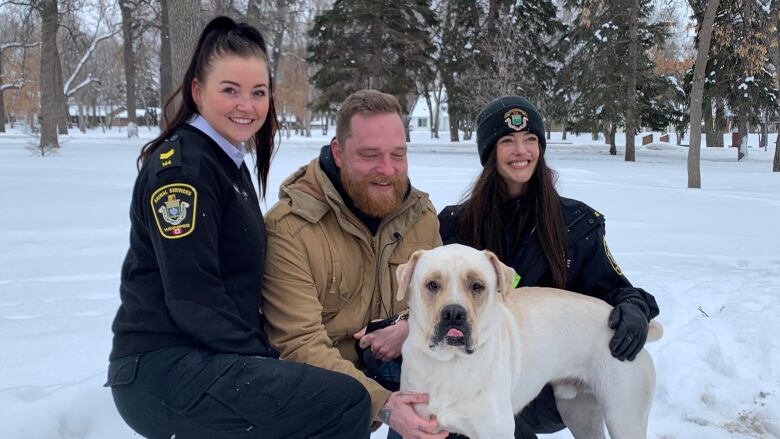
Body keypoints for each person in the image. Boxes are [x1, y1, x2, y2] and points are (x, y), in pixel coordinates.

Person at [105, 16, 371, 439]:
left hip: (200, 360)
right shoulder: (184, 173)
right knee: (344, 402)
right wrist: (265, 358)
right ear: (197, 90)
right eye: (230, 90)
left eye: (258, 92)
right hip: (161, 369)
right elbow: (194, 296)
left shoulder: (223, 161)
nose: (247, 106)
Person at [438, 96, 660, 438]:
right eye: (507, 141)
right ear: (489, 152)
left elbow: (613, 286)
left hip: (546, 387)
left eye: (530, 140)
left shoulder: (576, 222)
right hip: (475, 374)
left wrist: (634, 306)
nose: (520, 150)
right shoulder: (456, 225)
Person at [261, 89, 448, 439]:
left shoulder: (421, 216)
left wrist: (410, 324)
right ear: (339, 153)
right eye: (370, 155)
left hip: (401, 365)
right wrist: (385, 404)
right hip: (322, 386)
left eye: (398, 155)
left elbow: (443, 304)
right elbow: (299, 345)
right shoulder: (290, 228)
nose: (388, 170)